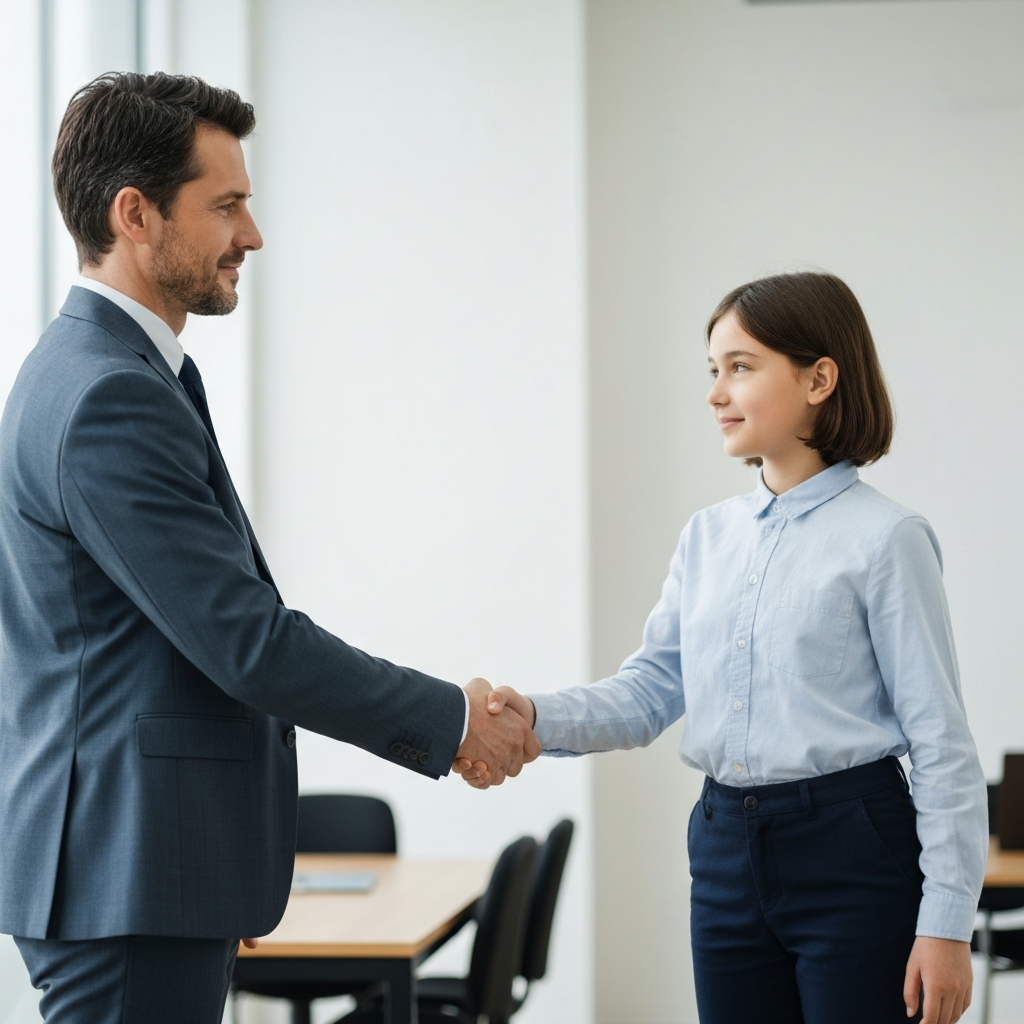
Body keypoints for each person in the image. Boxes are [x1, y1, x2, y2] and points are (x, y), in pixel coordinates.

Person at [0, 72, 536, 1024]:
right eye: (227, 204)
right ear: (135, 213)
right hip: (128, 872)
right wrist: (452, 721)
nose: (252, 234)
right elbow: (245, 641)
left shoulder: (102, 373)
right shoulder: (106, 397)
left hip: (143, 865)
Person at [465, 272, 988, 1024]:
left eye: (740, 367)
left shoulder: (887, 540)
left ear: (819, 379)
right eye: (713, 370)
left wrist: (944, 924)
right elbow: (649, 691)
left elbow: (941, 743)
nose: (716, 393)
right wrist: (532, 717)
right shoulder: (706, 537)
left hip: (853, 851)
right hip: (723, 853)